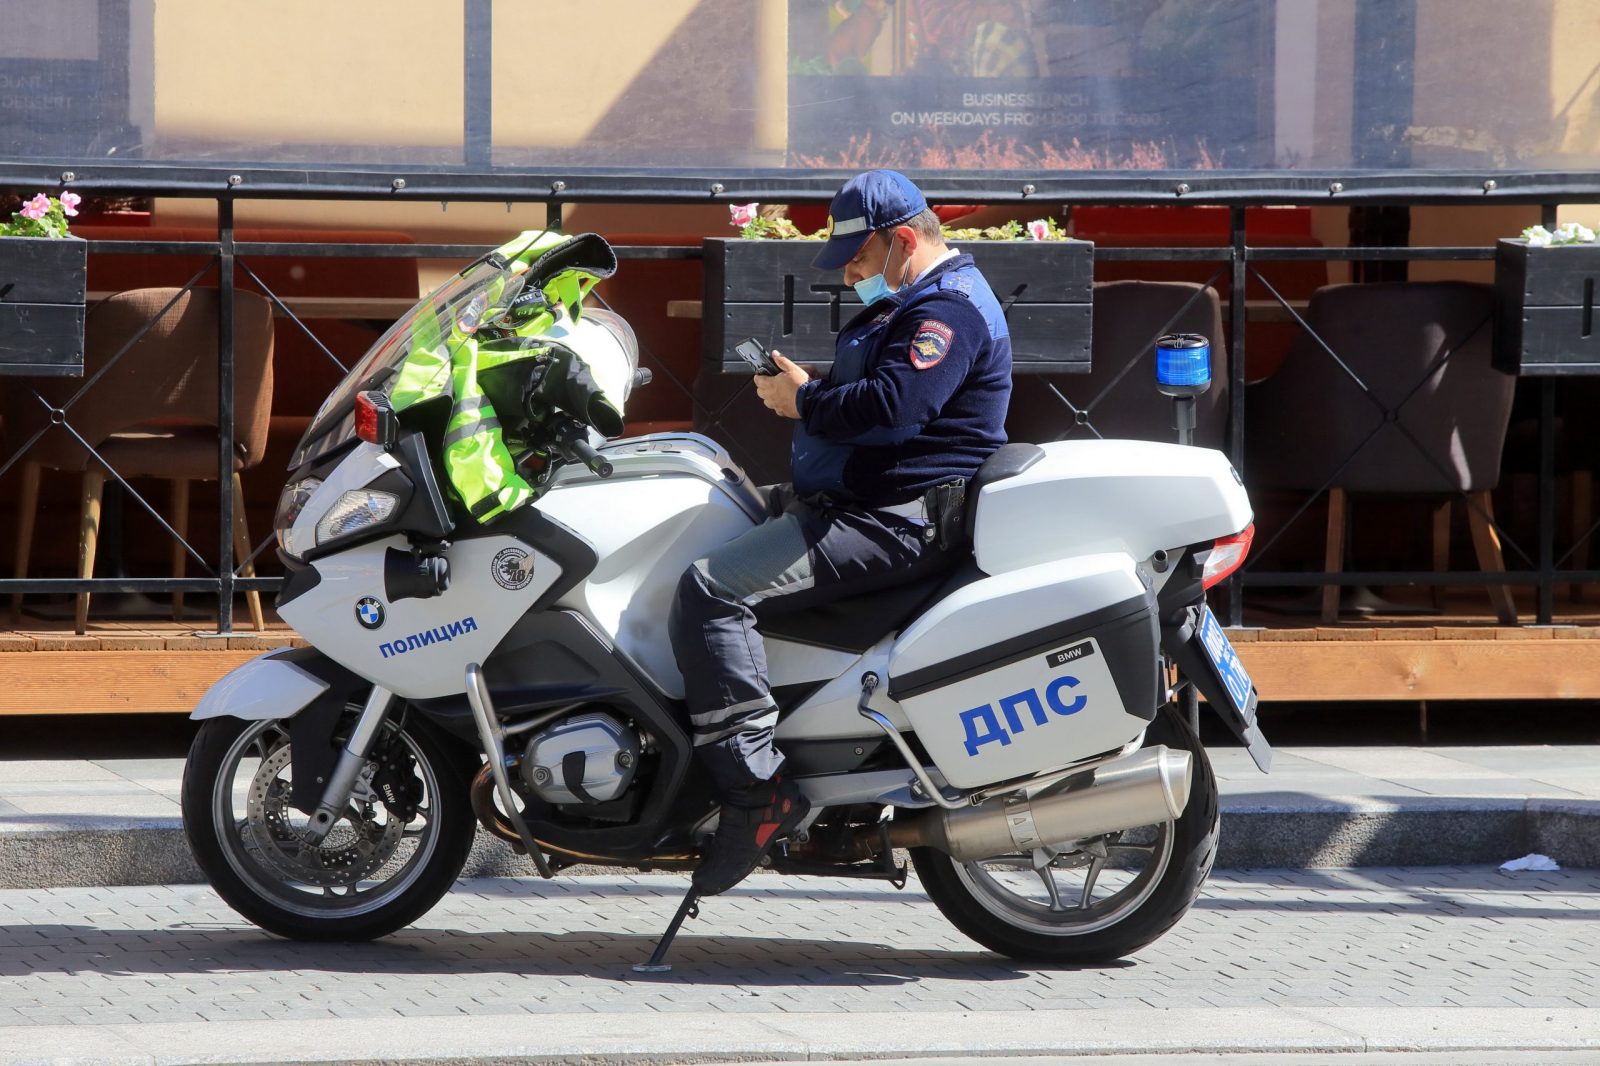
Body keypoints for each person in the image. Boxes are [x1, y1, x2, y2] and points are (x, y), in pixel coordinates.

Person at [668, 169, 1013, 894]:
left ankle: (754, 787)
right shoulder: (923, 301)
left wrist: (808, 400)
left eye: (858, 259)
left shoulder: (947, 311)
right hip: (867, 502)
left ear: (903, 241)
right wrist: (816, 387)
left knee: (708, 592)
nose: (850, 273)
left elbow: (897, 405)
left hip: (893, 519)